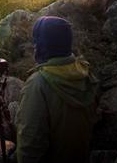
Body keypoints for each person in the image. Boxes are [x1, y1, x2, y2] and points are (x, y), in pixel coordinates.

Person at [16, 16, 98, 163]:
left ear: (41, 46)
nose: (34, 47)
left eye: (36, 43)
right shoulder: (84, 71)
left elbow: (30, 146)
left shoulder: (38, 84)